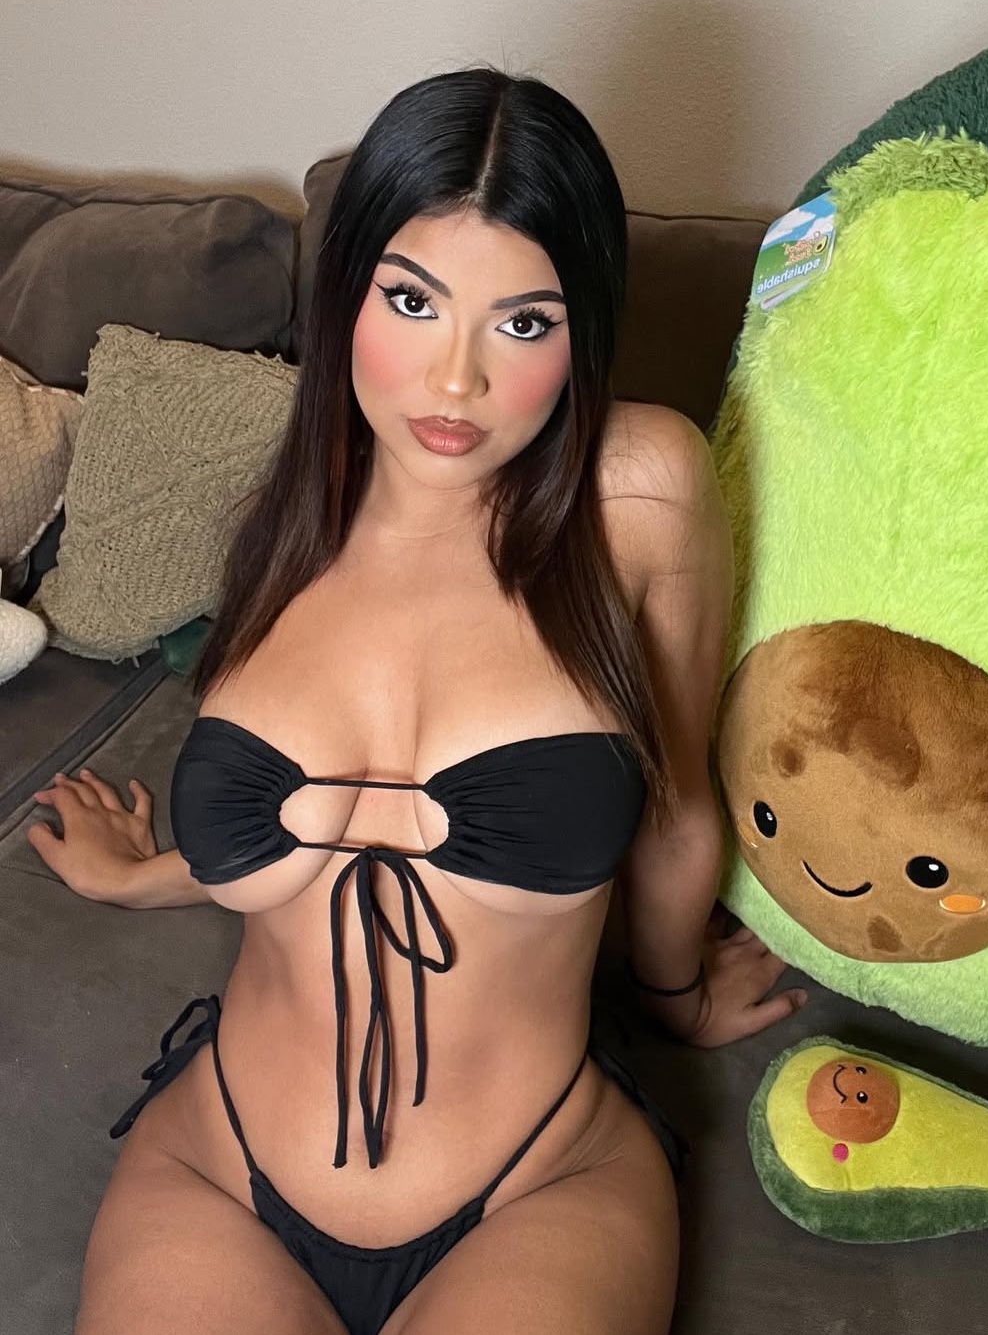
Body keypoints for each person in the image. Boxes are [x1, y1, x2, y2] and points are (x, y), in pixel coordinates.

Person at [29, 68, 805, 1335]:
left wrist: (678, 998)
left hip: (539, 1180)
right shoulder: (284, 524)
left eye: (523, 321)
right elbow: (317, 834)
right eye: (412, 300)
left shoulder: (641, 492)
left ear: (583, 330)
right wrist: (146, 874)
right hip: (219, 1166)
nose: (455, 380)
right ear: (347, 296)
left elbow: (671, 807)